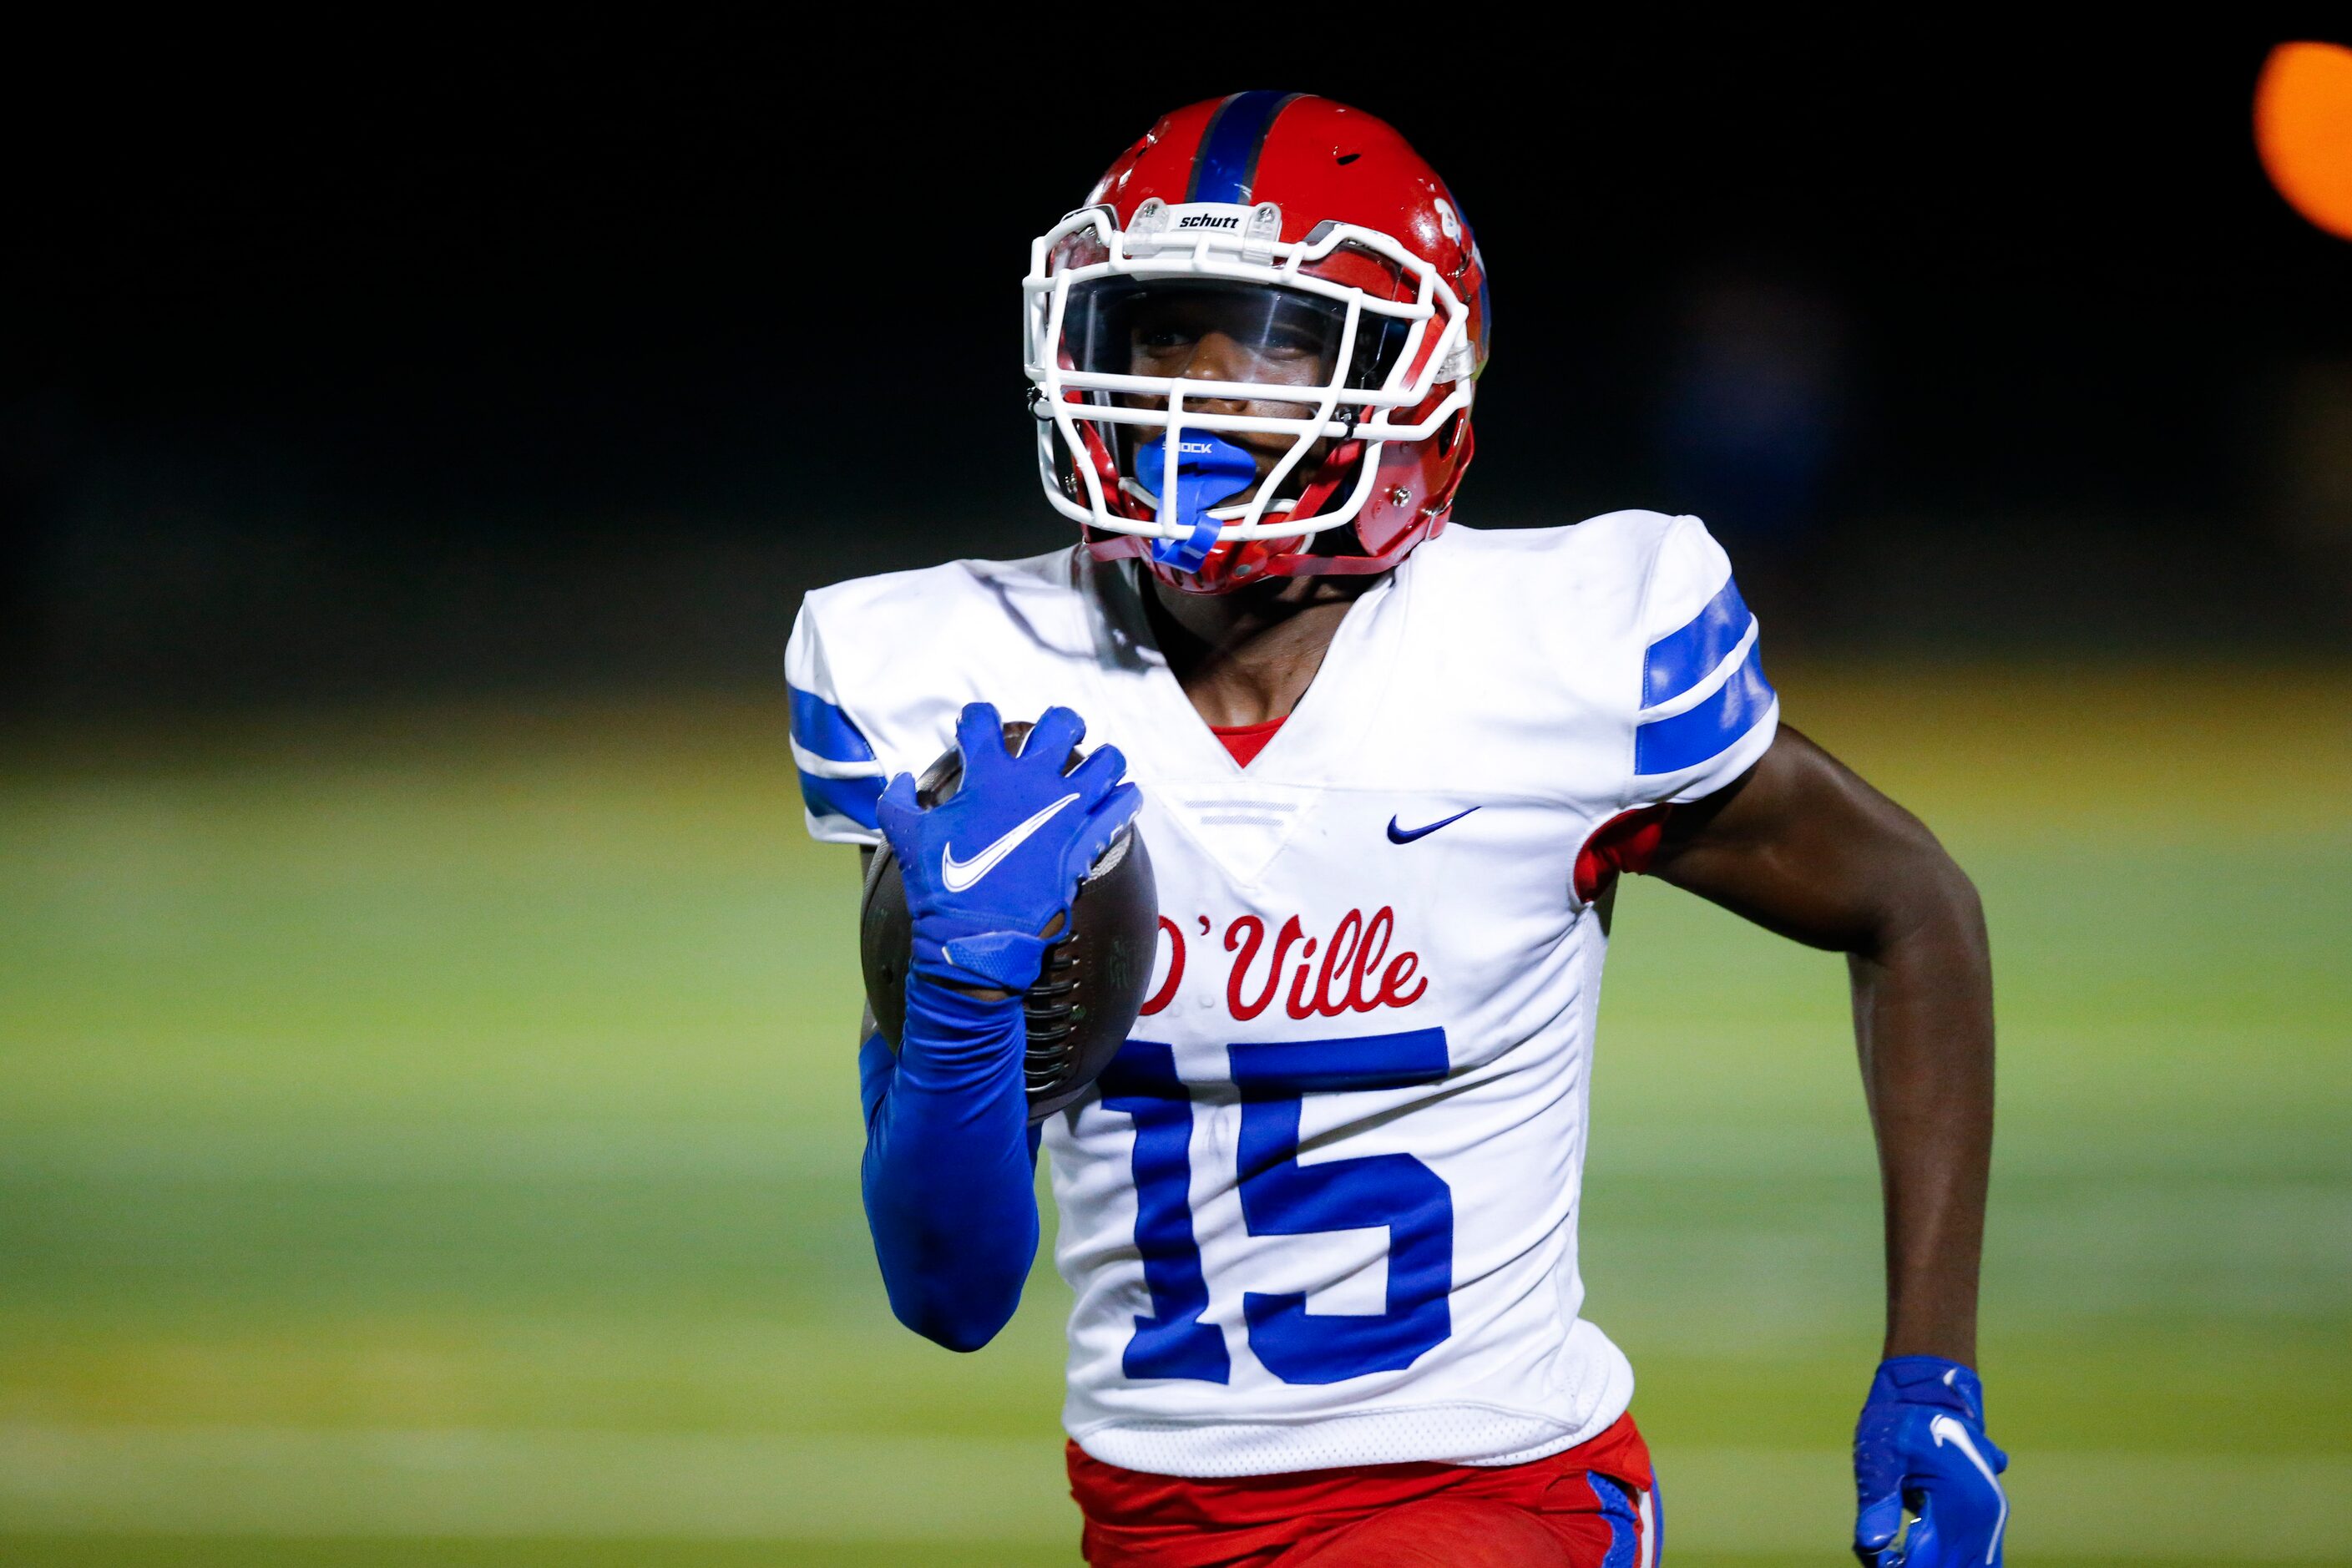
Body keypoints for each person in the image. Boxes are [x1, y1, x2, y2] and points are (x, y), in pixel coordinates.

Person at [786, 91, 2006, 1567]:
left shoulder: (1557, 649)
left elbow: (1911, 903)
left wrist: (1929, 1370)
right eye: (1164, 328)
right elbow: (950, 1291)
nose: (1204, 385)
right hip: (1147, 1516)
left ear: (1417, 372)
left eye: (1276, 334)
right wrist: (966, 996)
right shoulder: (959, 686)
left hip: (1492, 1491)